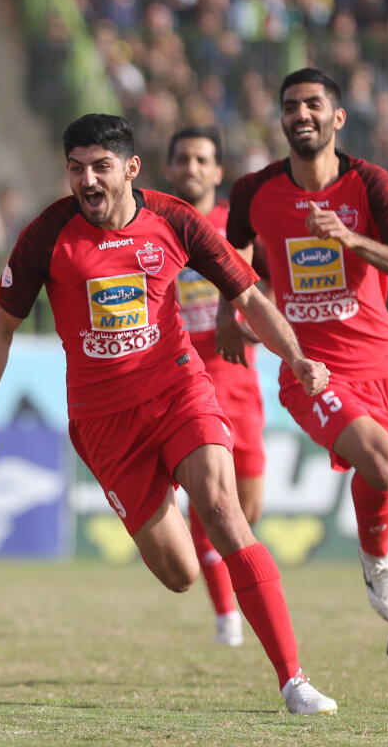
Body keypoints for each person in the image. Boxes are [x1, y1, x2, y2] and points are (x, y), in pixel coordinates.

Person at [0, 113, 336, 715]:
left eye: (100, 167)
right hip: (104, 423)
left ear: (131, 168)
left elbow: (248, 295)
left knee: (224, 513)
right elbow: (0, 329)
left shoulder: (174, 220)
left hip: (179, 391)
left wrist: (295, 356)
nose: (87, 180)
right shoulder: (45, 236)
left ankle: (294, 679)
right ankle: (180, 538)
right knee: (180, 573)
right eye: (76, 168)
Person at [221, 67, 388, 680]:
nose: (301, 114)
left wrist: (352, 239)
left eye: (313, 105)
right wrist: (228, 314)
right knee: (381, 464)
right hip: (312, 369)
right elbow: (232, 256)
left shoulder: (370, 184)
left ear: (337, 117)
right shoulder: (255, 191)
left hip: (386, 363)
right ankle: (375, 558)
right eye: (291, 106)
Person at [165, 124, 267, 647]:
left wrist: (255, 324)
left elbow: (270, 287)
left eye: (202, 159)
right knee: (211, 497)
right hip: (184, 376)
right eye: (183, 158)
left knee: (248, 506)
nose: (192, 167)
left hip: (237, 373)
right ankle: (227, 613)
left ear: (217, 170)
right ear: (169, 166)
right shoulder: (154, 225)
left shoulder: (239, 228)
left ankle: (229, 598)